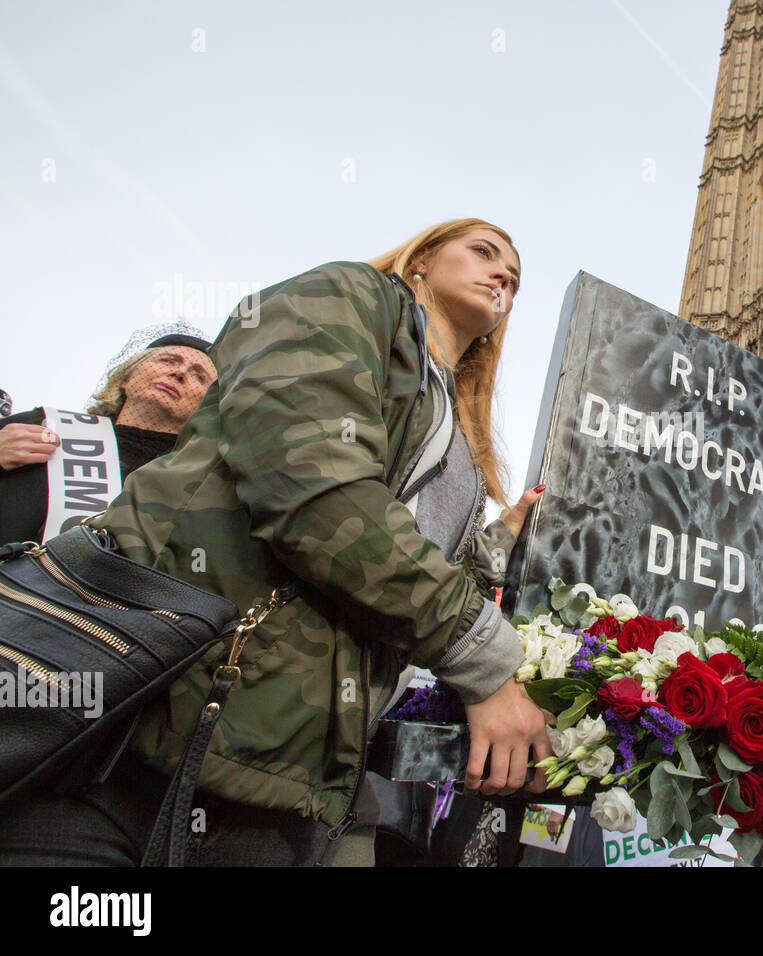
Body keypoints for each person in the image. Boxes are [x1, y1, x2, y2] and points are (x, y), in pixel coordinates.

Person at [0, 219, 552, 866]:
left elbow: (404, 568)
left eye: (514, 276)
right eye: (484, 252)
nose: (502, 275)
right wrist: (487, 659)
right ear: (423, 259)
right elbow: (310, 483)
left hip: (296, 773)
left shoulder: (458, 437)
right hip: (155, 733)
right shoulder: (347, 296)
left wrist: (494, 548)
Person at [0, 331, 215, 544]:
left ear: (209, 408)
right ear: (126, 378)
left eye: (199, 376)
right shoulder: (44, 424)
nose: (179, 372)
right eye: (167, 361)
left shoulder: (206, 485)